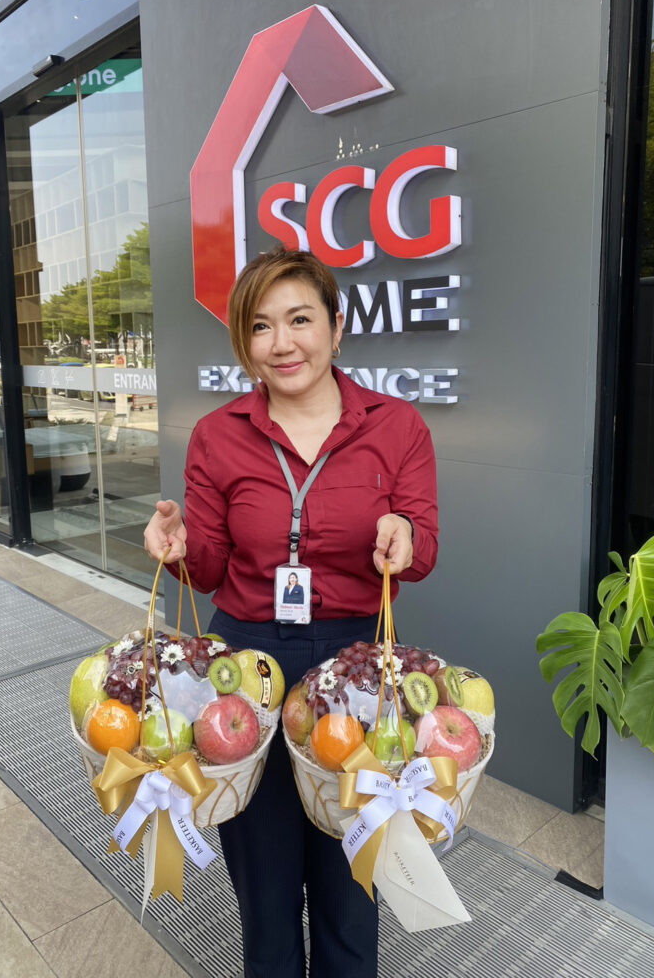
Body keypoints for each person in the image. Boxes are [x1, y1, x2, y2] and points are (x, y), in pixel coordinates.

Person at [144, 247, 438, 978]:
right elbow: (208, 568)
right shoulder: (217, 436)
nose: (282, 343)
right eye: (261, 326)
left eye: (300, 319)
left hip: (355, 670)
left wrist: (404, 537)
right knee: (266, 894)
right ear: (245, 343)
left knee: (350, 888)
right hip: (248, 670)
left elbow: (423, 546)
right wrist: (176, 547)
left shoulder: (396, 427)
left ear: (336, 329)